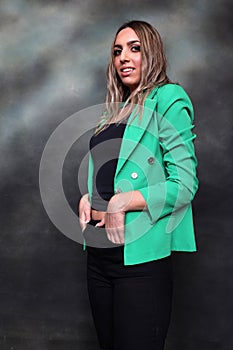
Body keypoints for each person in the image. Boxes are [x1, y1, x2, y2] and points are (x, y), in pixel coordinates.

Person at [78, 20, 198, 350]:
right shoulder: (113, 112)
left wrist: (122, 202)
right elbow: (114, 170)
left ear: (152, 54)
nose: (123, 57)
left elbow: (185, 184)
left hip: (141, 261)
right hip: (99, 257)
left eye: (135, 48)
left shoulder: (168, 98)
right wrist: (91, 197)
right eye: (117, 51)